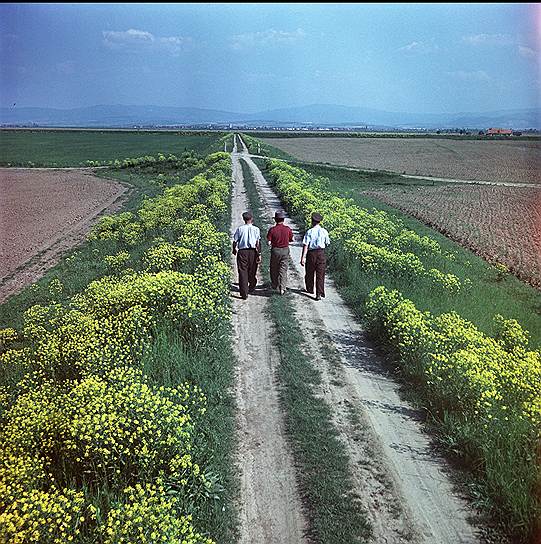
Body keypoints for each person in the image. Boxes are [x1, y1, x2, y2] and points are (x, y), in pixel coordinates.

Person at [300, 212, 330, 301]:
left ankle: (310, 288)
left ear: (312, 221)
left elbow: (305, 245)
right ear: (319, 222)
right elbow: (327, 243)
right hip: (321, 253)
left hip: (311, 253)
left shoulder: (309, 231)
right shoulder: (324, 231)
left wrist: (303, 257)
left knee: (310, 272)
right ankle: (319, 293)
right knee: (320, 274)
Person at [232, 211, 261, 300]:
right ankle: (252, 285)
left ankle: (244, 293)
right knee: (252, 270)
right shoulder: (256, 229)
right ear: (251, 218)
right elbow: (258, 243)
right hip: (252, 252)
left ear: (243, 219)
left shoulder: (240, 229)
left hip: (242, 252)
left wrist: (234, 249)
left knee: (242, 271)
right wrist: (259, 254)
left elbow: (235, 241)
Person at [267, 210, 293, 295]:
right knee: (283, 269)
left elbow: (269, 241)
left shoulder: (272, 230)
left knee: (274, 268)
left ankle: (275, 284)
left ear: (275, 220)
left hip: (275, 250)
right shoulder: (288, 229)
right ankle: (282, 288)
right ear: (283, 219)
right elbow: (291, 239)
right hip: (285, 250)